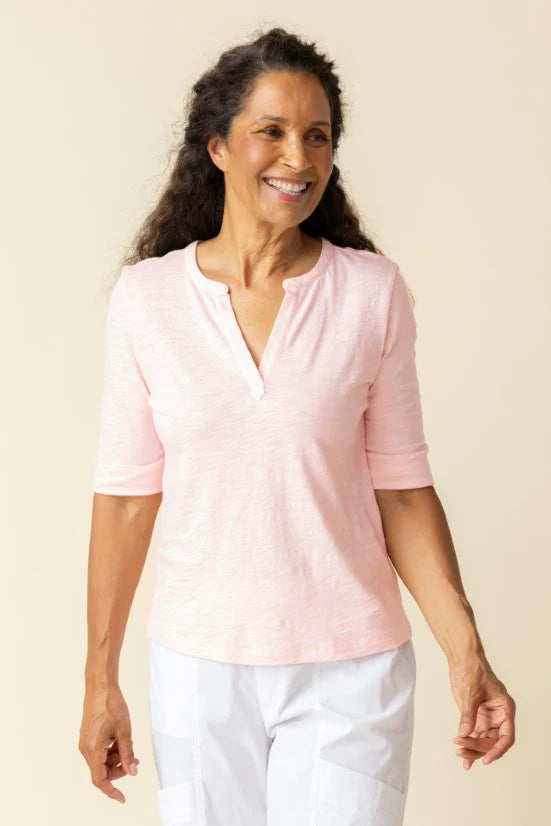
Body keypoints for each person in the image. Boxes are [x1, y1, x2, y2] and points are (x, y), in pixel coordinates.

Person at [79, 26, 516, 826]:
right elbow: (127, 499)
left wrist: (466, 654)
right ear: (217, 147)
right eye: (271, 131)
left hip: (352, 670)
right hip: (198, 668)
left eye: (317, 136)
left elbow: (402, 490)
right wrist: (99, 679)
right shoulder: (147, 301)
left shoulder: (371, 293)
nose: (298, 157)